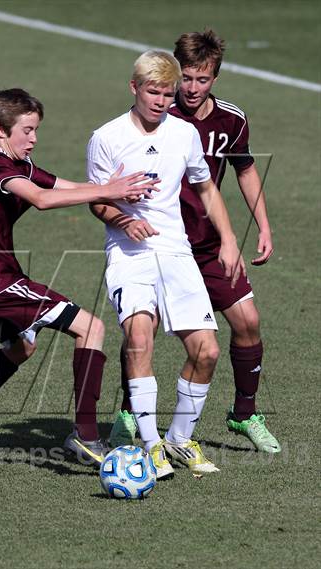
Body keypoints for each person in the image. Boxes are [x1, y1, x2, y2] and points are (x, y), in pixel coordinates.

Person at [0, 88, 157, 466]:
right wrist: (107, 189)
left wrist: (116, 194)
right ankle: (85, 437)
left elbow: (62, 187)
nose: (34, 138)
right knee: (91, 328)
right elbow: (42, 199)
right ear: (1, 130)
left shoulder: (17, 164)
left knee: (22, 347)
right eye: (28, 130)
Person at [110, 30, 281, 454]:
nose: (189, 89)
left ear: (215, 79)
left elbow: (243, 170)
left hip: (206, 244)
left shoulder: (231, 121)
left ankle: (244, 415)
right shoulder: (155, 116)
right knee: (140, 328)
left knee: (247, 322)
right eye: (184, 78)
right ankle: (132, 412)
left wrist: (261, 225)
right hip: (159, 242)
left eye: (200, 80)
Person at [88, 51, 245, 478]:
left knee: (207, 350)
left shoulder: (184, 134)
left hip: (177, 251)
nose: (160, 100)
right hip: (130, 254)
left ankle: (178, 439)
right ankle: (151, 445)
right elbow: (96, 200)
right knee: (140, 339)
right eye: (153, 91)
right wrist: (123, 219)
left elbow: (207, 188)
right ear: (134, 88)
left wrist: (229, 240)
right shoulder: (107, 137)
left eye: (167, 93)